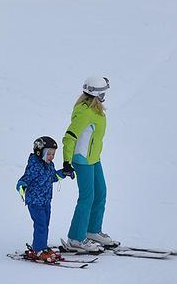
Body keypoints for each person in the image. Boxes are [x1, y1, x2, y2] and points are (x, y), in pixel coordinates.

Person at [62, 76, 117, 252]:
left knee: (100, 193)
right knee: (87, 197)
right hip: (83, 160)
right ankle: (75, 238)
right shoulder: (85, 112)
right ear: (97, 94)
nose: (105, 95)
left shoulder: (97, 110)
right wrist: (66, 161)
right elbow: (70, 136)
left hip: (94, 159)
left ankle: (92, 231)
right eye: (103, 92)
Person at [16, 136, 75, 263]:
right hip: (35, 202)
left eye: (53, 154)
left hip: (46, 200)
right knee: (41, 224)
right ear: (39, 152)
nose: (51, 156)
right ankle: (38, 250)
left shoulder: (49, 165)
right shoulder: (34, 165)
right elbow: (25, 179)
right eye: (48, 153)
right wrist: (21, 185)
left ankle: (42, 247)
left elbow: (52, 177)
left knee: (45, 224)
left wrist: (64, 173)